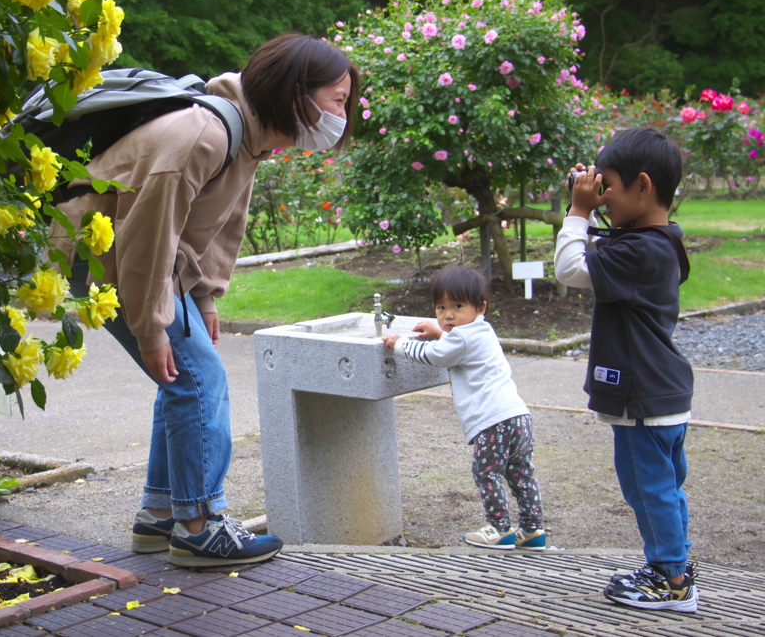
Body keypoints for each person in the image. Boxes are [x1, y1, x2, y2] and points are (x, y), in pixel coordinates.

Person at [51, 33, 360, 567]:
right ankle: (199, 526)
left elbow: (221, 223)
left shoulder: (249, 135)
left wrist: (207, 297)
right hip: (101, 248)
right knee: (200, 380)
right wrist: (150, 328)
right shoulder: (204, 134)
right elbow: (148, 232)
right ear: (295, 95)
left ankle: (162, 515)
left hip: (139, 255)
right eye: (336, 99)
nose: (343, 112)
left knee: (182, 380)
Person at [554, 126, 698, 612]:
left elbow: (572, 268)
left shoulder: (639, 250)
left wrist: (578, 212)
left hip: (641, 397)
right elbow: (602, 245)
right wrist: (587, 208)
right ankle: (675, 564)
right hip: (663, 393)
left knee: (647, 489)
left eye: (607, 184)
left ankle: (671, 579)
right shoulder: (657, 239)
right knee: (665, 487)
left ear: (643, 185)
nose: (601, 194)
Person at [381, 265, 546, 551]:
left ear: (480, 307)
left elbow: (435, 355)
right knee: (520, 473)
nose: (448, 314)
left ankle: (499, 529)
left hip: (493, 422)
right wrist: (439, 331)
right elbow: (458, 346)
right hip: (518, 417)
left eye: (457, 306)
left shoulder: (460, 338)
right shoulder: (482, 331)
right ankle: (532, 529)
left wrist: (399, 345)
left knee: (487, 473)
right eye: (441, 307)